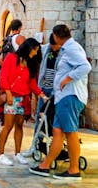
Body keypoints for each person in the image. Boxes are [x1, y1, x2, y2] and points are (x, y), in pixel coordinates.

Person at [30, 25, 92, 181]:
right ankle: (45, 165)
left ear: (56, 36)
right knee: (57, 132)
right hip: (63, 97)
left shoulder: (71, 48)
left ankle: (74, 170)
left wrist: (67, 78)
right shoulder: (67, 48)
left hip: (70, 96)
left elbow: (85, 66)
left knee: (70, 133)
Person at [0, 38, 46, 166]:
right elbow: (3, 75)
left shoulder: (30, 63)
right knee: (8, 126)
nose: (35, 53)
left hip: (23, 99)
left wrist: (40, 94)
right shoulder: (11, 58)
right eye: (35, 50)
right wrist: (7, 92)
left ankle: (17, 154)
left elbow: (31, 82)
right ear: (28, 48)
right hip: (11, 98)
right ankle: (0, 155)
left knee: (19, 126)